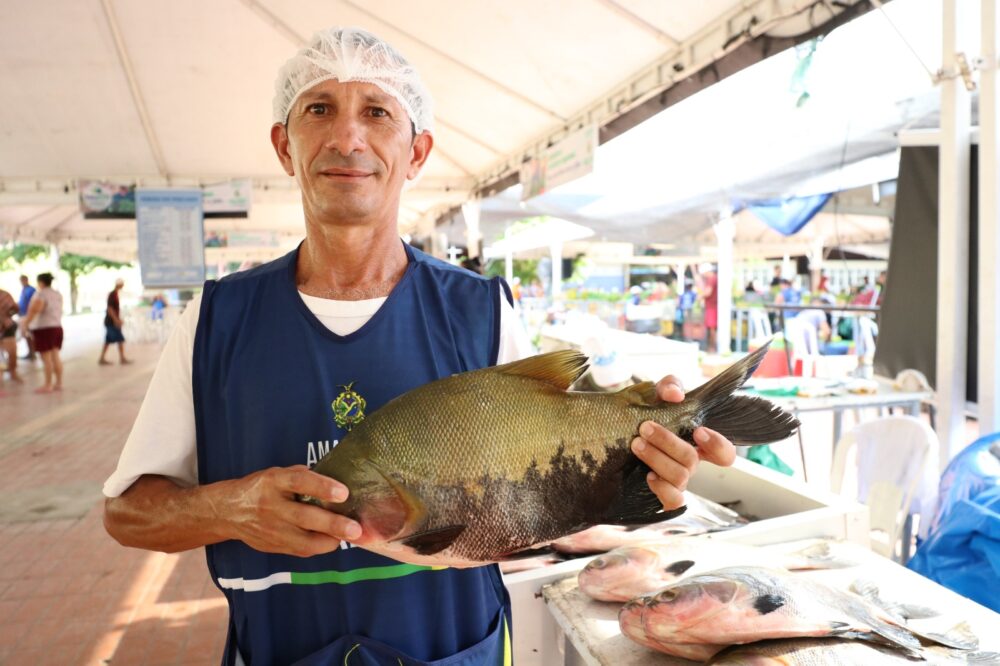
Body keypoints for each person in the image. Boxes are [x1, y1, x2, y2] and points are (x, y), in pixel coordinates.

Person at [102, 27, 736, 666]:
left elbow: (546, 490)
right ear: (284, 145)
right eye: (319, 108)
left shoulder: (480, 310)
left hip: (457, 651)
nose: (347, 137)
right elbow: (126, 513)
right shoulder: (216, 319)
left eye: (377, 112)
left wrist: (643, 473)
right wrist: (229, 508)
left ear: (417, 151)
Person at [20, 273, 63, 394]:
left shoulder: (41, 294)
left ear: (40, 282)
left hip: (44, 329)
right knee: (55, 355)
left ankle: (48, 384)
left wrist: (25, 323)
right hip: (56, 326)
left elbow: (35, 310)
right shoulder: (57, 294)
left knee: (46, 358)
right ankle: (58, 383)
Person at [99, 278, 131, 365]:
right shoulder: (112, 295)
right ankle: (122, 358)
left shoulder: (115, 294)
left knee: (108, 340)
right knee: (120, 339)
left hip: (111, 321)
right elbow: (110, 309)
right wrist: (116, 320)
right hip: (111, 322)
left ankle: (102, 358)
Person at [0, 288, 21, 384]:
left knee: (12, 352)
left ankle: (13, 373)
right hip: (7, 325)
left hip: (7, 326)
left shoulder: (4, 294)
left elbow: (15, 308)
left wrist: (6, 316)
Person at [697, 263, 718, 352]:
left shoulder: (711, 279)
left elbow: (708, 292)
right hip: (712, 306)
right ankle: (712, 347)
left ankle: (712, 348)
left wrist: (699, 297)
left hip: (712, 307)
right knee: (712, 328)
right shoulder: (715, 278)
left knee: (712, 328)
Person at [17, 274, 36, 361]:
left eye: (23, 280)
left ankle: (33, 352)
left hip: (28, 315)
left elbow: (33, 303)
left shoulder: (31, 290)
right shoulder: (23, 290)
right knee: (26, 334)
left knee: (30, 334)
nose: (22, 282)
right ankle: (30, 352)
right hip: (23, 315)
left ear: (26, 280)